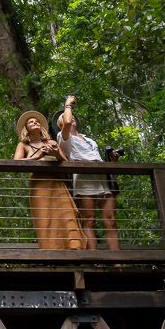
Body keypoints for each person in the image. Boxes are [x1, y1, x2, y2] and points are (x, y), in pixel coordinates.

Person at [55, 96, 120, 250]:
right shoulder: (63, 137)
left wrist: (113, 160)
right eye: (64, 117)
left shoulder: (90, 140)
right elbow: (68, 122)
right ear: (61, 124)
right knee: (89, 220)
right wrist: (68, 104)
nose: (70, 118)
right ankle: (95, 258)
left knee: (110, 220)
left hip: (101, 178)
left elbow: (97, 158)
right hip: (83, 178)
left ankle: (118, 261)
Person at [13, 111, 84, 250]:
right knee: (45, 220)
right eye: (31, 122)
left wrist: (56, 153)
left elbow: (66, 162)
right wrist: (38, 155)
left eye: (37, 121)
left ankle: (75, 251)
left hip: (56, 184)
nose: (35, 123)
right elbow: (16, 163)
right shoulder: (23, 145)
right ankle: (51, 256)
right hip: (39, 186)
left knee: (67, 216)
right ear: (26, 128)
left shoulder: (52, 142)